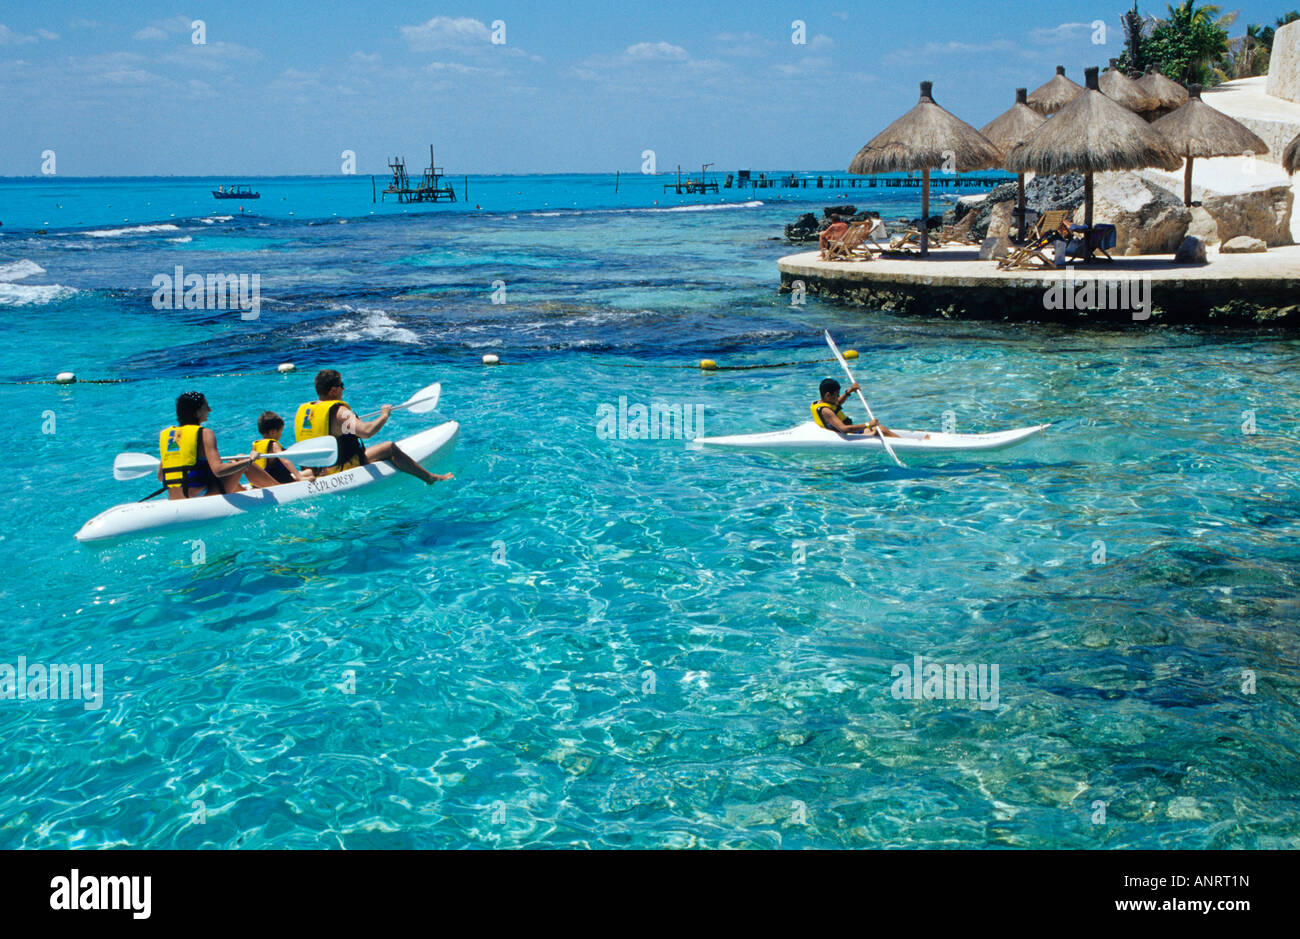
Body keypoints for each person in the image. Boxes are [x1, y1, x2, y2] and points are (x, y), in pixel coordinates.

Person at [295, 369, 453, 484]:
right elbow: (367, 432)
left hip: (317, 469)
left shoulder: (306, 410)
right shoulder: (339, 411)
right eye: (341, 385)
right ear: (333, 390)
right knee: (389, 447)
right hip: (338, 468)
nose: (344, 389)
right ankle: (430, 478)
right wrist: (384, 415)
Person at [158, 391, 278, 499]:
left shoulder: (169, 436)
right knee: (243, 462)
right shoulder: (204, 433)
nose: (210, 410)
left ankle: (243, 492)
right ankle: (280, 490)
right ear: (196, 412)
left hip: (175, 497)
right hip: (201, 496)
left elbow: (160, 477)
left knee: (231, 465)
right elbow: (218, 471)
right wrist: (250, 460)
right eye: (206, 407)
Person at [811, 378, 900, 437]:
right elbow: (844, 429)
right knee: (881, 430)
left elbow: (836, 404)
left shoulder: (822, 402)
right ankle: (903, 443)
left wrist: (849, 391)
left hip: (851, 433)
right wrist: (868, 424)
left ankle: (901, 440)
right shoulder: (826, 411)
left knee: (881, 429)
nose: (838, 397)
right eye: (837, 394)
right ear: (828, 395)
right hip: (849, 435)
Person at [251, 411, 301, 485]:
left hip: (263, 481)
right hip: (279, 480)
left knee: (308, 472)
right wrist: (299, 477)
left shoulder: (256, 444)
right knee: (311, 473)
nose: (281, 434)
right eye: (281, 431)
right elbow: (285, 461)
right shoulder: (273, 444)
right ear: (273, 432)